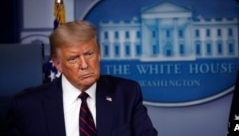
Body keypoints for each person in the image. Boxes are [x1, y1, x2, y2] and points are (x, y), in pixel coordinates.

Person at [2, 20, 158, 136]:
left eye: (89, 54)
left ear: (99, 54)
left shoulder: (126, 94)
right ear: (57, 64)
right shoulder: (27, 105)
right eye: (73, 59)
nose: (84, 65)